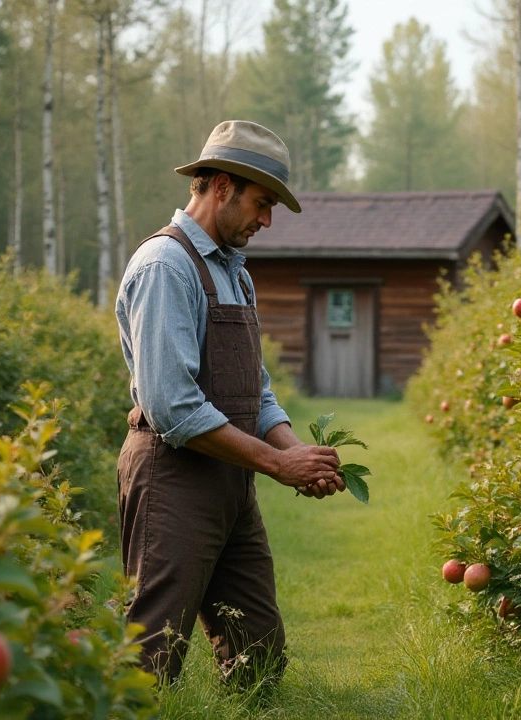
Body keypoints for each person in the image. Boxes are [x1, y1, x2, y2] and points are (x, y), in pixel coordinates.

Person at [114, 120, 345, 687]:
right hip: (174, 476)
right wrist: (277, 463)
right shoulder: (165, 266)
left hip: (230, 481)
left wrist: (298, 455)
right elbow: (173, 407)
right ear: (221, 186)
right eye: (262, 204)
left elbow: (255, 389)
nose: (266, 221)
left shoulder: (234, 273)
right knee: (150, 657)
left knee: (258, 655)